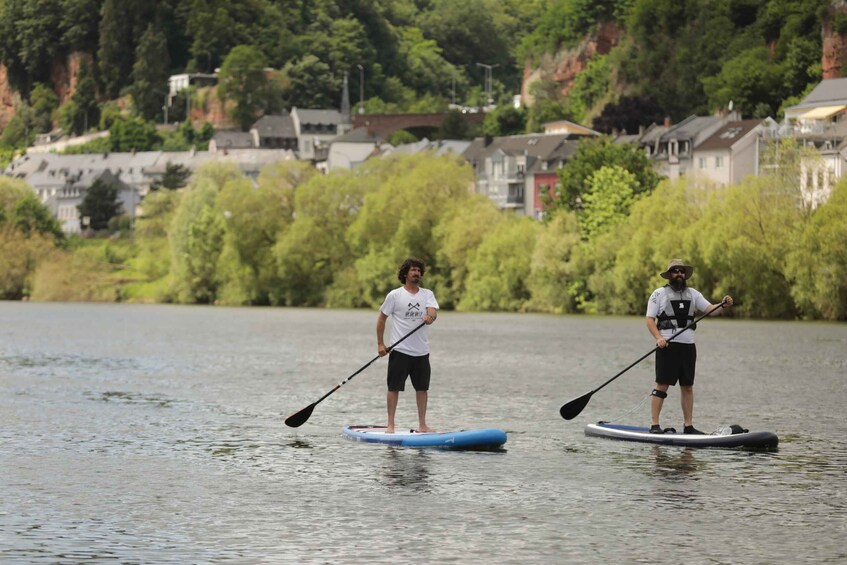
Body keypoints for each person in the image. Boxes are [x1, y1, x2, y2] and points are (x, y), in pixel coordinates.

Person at [646, 258, 733, 434]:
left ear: (685, 275)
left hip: (687, 347)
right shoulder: (659, 294)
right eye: (675, 271)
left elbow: (711, 310)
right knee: (662, 385)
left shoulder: (693, 294)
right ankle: (654, 425)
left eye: (682, 271)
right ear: (670, 275)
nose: (679, 274)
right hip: (667, 346)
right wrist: (658, 337)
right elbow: (649, 320)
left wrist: (723, 304)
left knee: (687, 386)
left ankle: (688, 426)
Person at [377, 257, 439, 434]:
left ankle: (422, 425)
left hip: (421, 351)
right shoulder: (395, 295)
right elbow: (382, 318)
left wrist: (430, 317)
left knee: (422, 388)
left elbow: (433, 311)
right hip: (400, 350)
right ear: (405, 273)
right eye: (413, 270)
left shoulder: (427, 294)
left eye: (419, 270)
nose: (417, 273)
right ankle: (390, 425)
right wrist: (380, 344)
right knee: (393, 388)